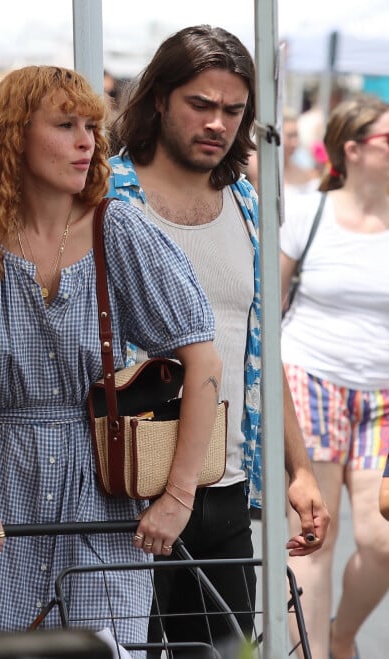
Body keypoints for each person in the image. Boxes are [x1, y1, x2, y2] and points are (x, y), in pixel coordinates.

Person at [0, 65, 222, 647]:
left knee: (107, 647)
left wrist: (177, 496)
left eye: (91, 127)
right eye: (65, 124)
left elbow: (203, 360)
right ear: (15, 134)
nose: (85, 142)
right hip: (1, 481)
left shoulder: (116, 229)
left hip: (101, 481)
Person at [107, 25, 330, 656]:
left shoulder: (246, 203)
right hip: (125, 491)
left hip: (228, 487)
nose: (217, 124)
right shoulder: (103, 199)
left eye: (233, 111)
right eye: (200, 105)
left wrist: (300, 468)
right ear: (157, 100)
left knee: (234, 654)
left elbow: (261, 352)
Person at [280, 95, 389, 659]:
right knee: (315, 536)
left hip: (383, 398)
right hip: (313, 379)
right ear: (352, 148)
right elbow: (268, 305)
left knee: (383, 539)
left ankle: (342, 636)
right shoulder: (308, 212)